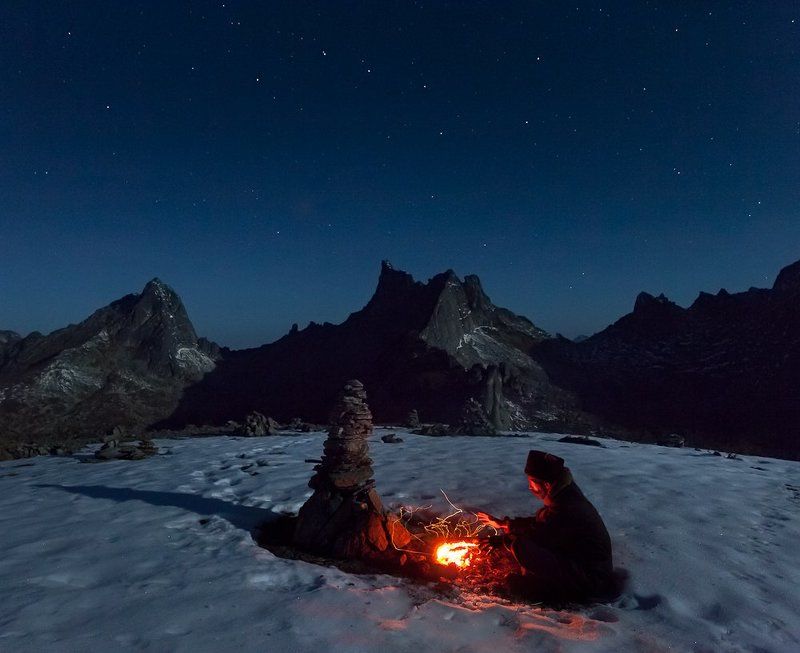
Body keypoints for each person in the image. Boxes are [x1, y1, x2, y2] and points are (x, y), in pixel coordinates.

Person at [476, 450, 615, 603]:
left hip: (590, 579)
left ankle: (551, 592)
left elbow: (538, 534)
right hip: (588, 569)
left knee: (520, 546)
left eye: (532, 483)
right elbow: (544, 524)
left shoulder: (567, 507)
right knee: (520, 544)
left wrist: (503, 541)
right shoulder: (565, 496)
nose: (530, 488)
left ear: (546, 484)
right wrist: (505, 524)